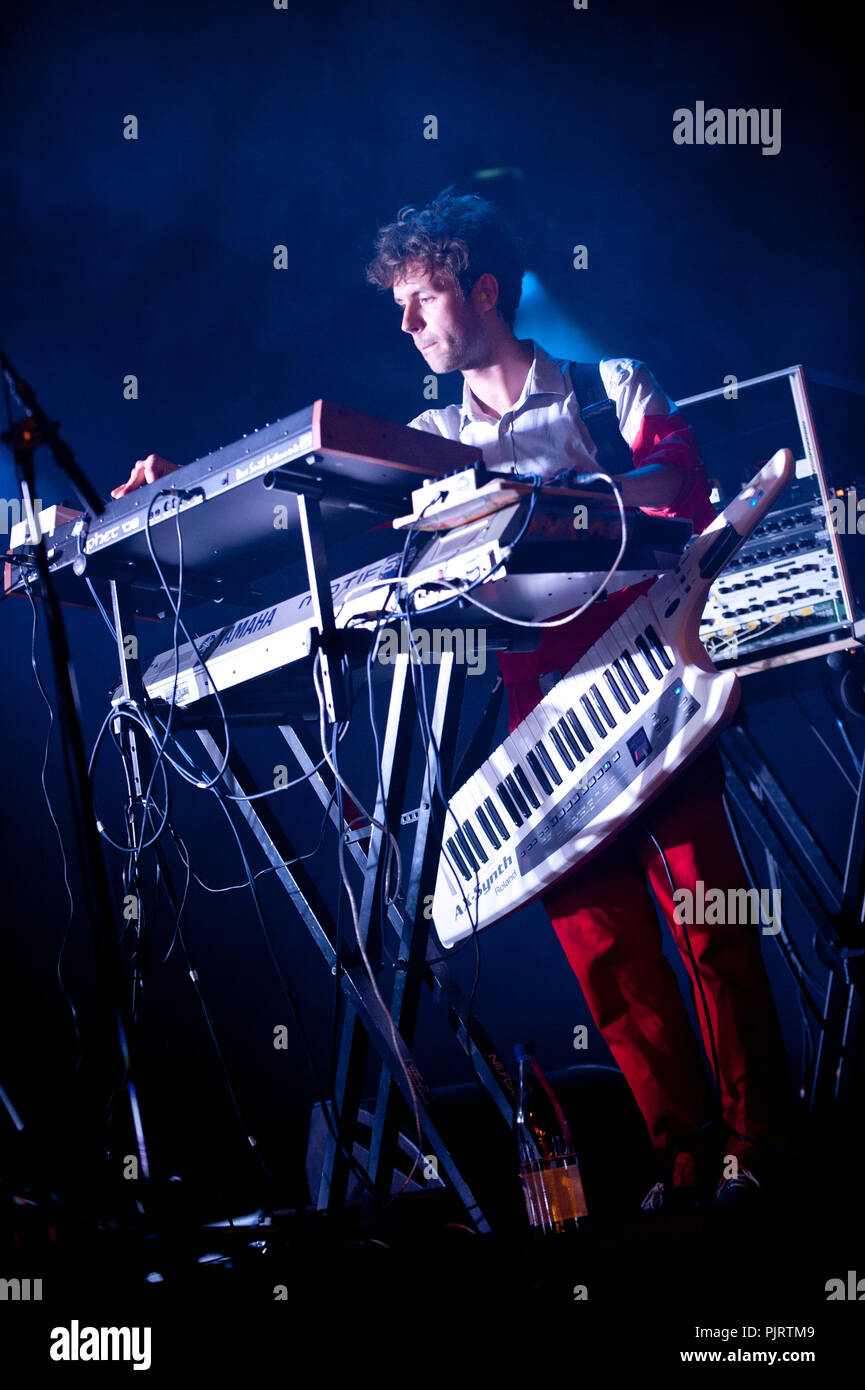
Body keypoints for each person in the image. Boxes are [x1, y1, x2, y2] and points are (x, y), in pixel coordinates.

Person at [366, 188, 794, 1210]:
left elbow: (680, 485)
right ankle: (686, 1159)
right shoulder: (431, 437)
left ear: (482, 290)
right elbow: (355, 512)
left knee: (711, 920)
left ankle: (764, 1151)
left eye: (421, 298)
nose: (407, 321)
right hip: (542, 718)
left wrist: (544, 498)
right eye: (399, 304)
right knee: (603, 948)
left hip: (656, 681)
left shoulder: (606, 386)